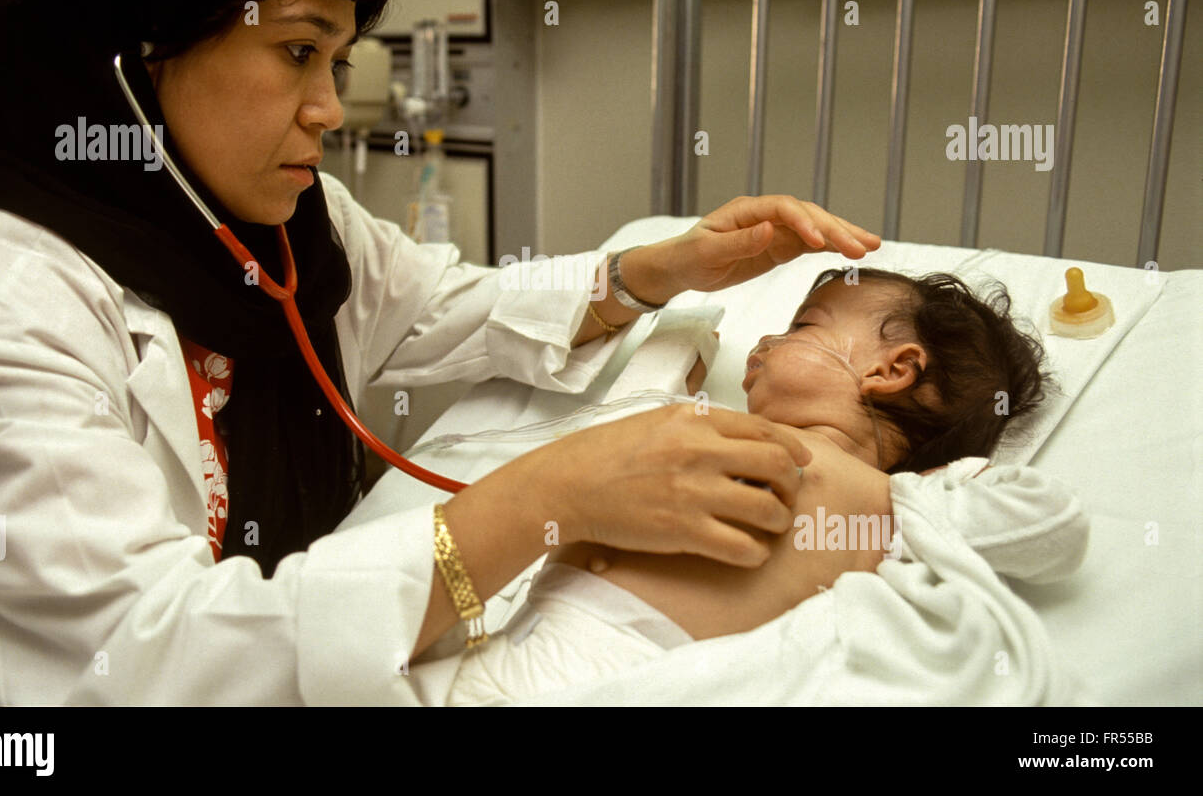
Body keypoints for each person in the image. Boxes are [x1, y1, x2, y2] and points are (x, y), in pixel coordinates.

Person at [0, 0, 880, 705]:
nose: (329, 108)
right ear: (134, 63)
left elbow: (445, 309)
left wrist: (653, 269)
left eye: (338, 57)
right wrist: (542, 497)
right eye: (296, 52)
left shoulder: (289, 227)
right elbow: (147, 666)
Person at [439, 268, 1064, 704]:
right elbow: (615, 431)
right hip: (497, 649)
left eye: (804, 328)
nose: (765, 341)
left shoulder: (894, 502)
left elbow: (1050, 523)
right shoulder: (712, 430)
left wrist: (939, 490)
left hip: (624, 676)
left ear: (893, 369)